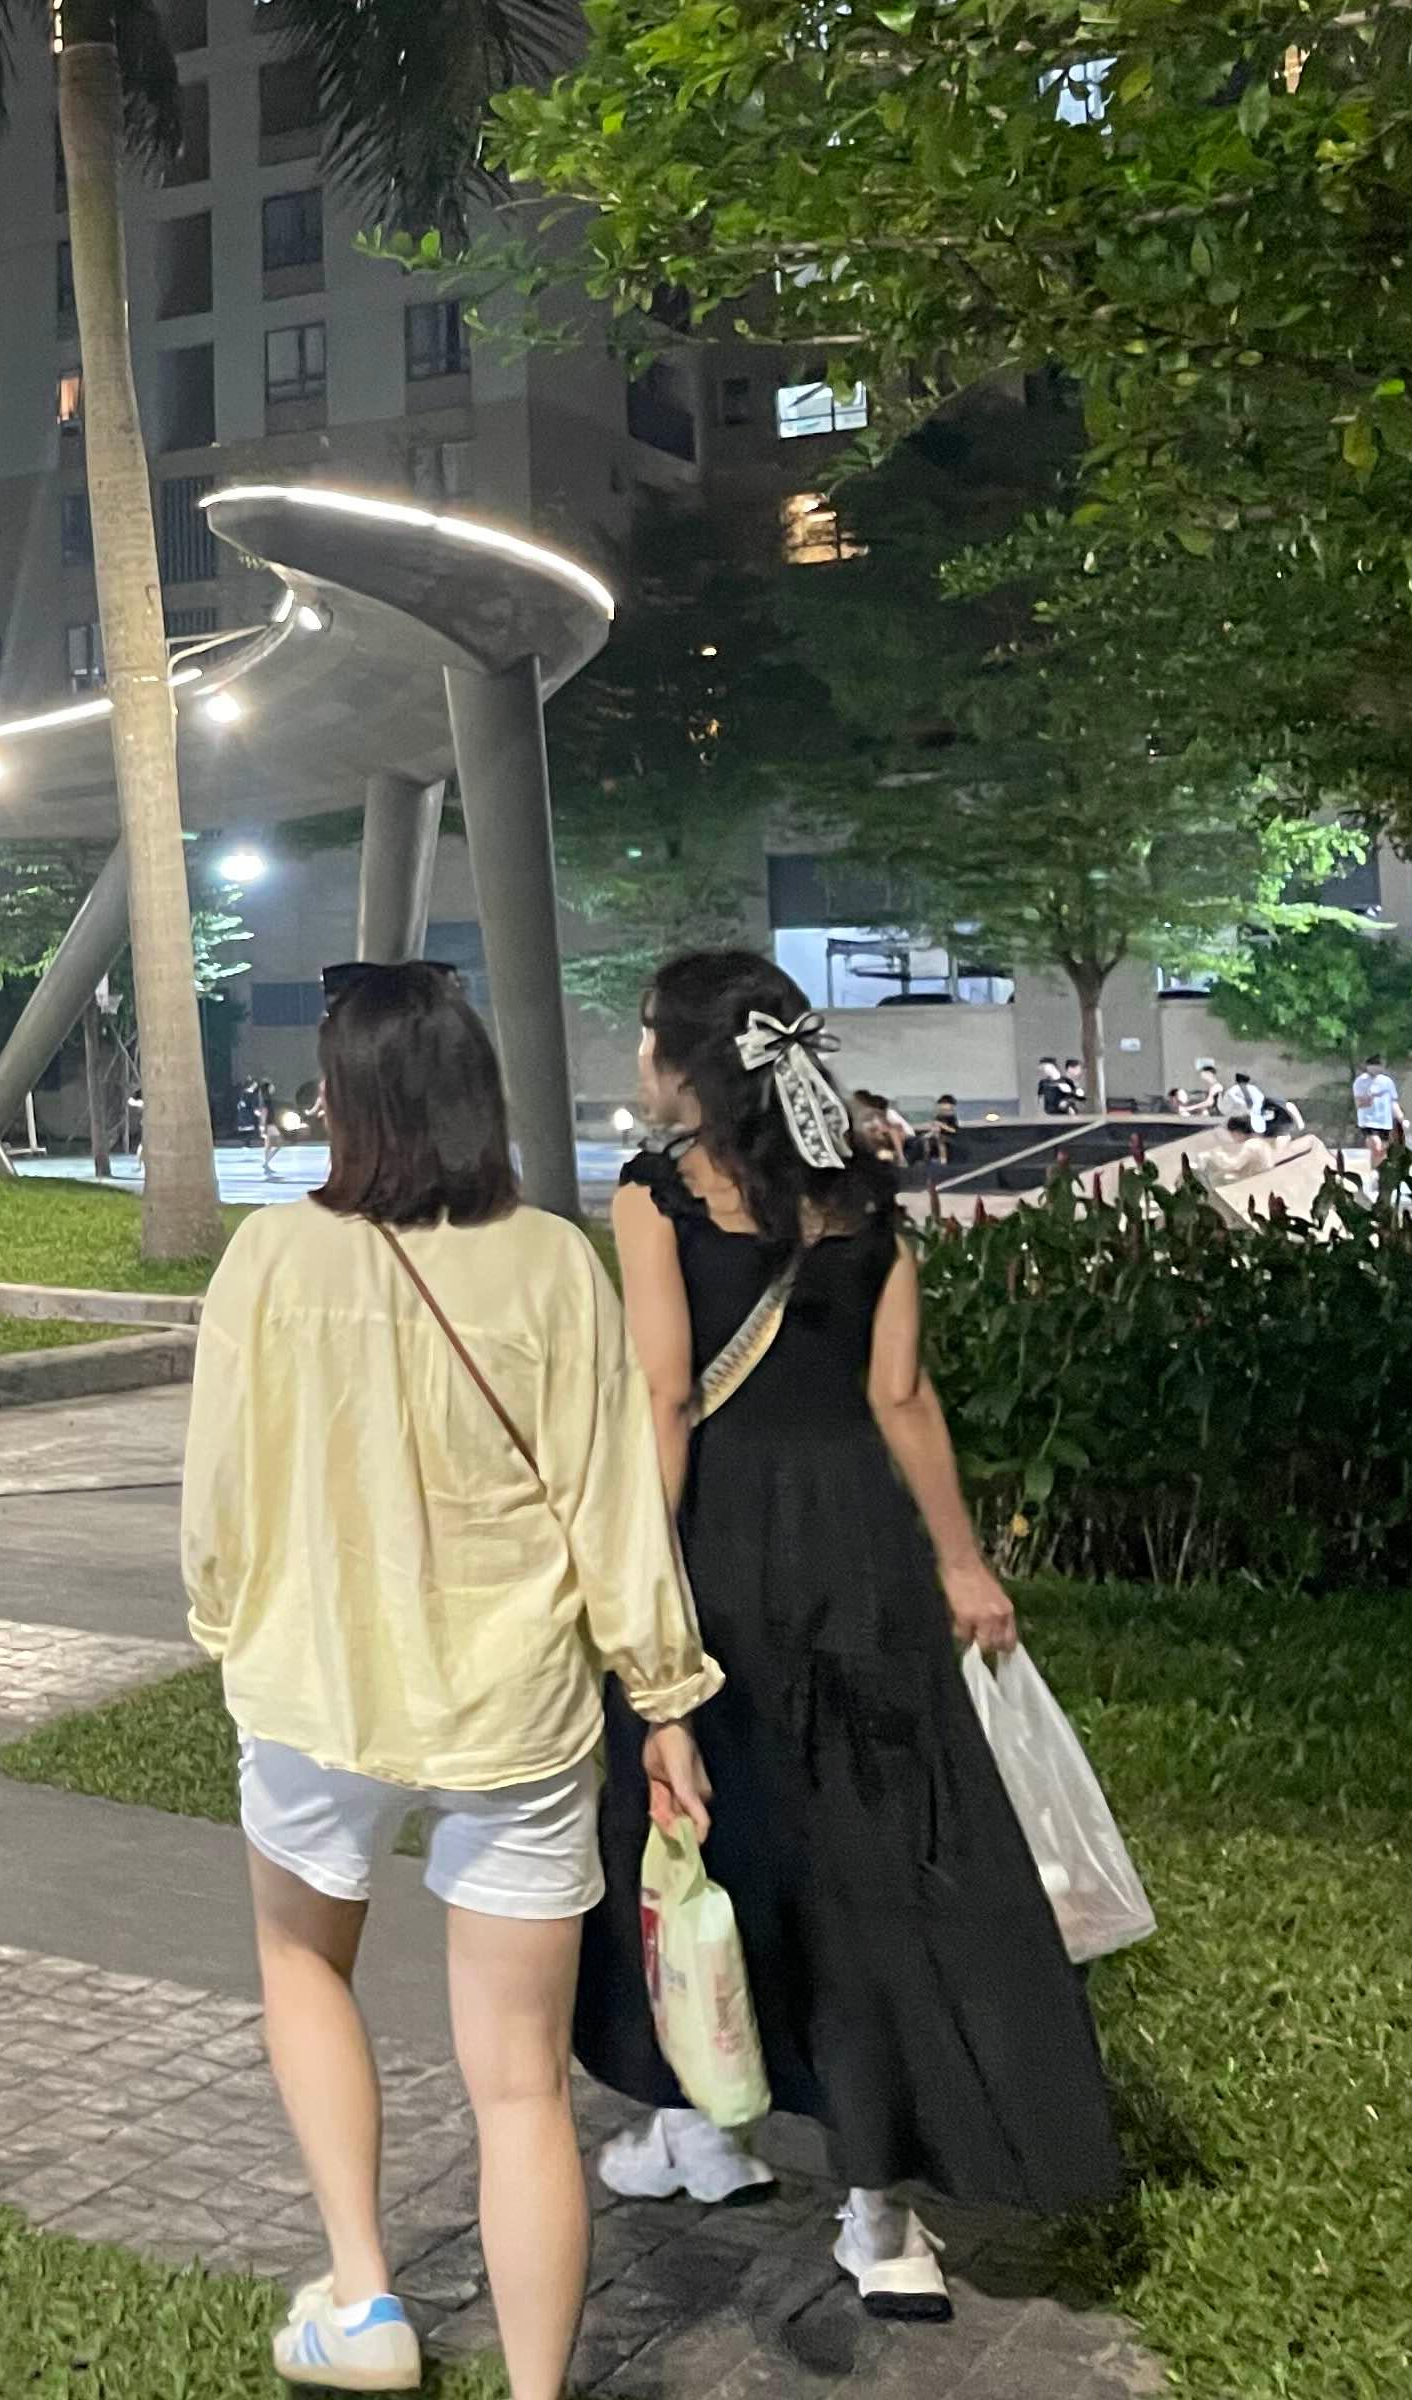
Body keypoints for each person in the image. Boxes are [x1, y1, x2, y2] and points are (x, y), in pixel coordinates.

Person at [180, 961, 718, 2400]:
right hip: (515, 1708)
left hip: (317, 1687)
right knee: (522, 2083)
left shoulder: (271, 1258)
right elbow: (614, 1503)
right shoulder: (551, 1263)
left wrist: (224, 1617)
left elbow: (218, 1485)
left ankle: (363, 2297)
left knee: (304, 1962)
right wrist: (664, 1695)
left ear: (345, 1100)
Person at [581, 951, 1122, 2319]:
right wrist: (963, 1563)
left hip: (725, 1558)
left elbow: (665, 1398)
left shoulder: (656, 1196)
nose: (641, 1058)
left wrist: (644, 1585)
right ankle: (880, 2217)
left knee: (701, 1844)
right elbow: (903, 1398)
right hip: (863, 1565)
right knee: (870, 1868)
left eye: (649, 1037)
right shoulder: (866, 1196)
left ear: (691, 1064)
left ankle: (708, 2124)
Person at [1350, 1052, 1408, 1170]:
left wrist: (1402, 1119)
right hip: (1368, 1122)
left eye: (1379, 1066)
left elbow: (1393, 1103)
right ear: (1368, 1067)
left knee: (1382, 1152)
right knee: (1376, 1146)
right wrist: (1372, 1096)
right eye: (1374, 1066)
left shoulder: (1387, 1082)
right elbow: (1359, 1104)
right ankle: (1375, 1171)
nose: (1377, 1068)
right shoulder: (1360, 1082)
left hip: (1384, 1122)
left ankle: (1376, 1172)